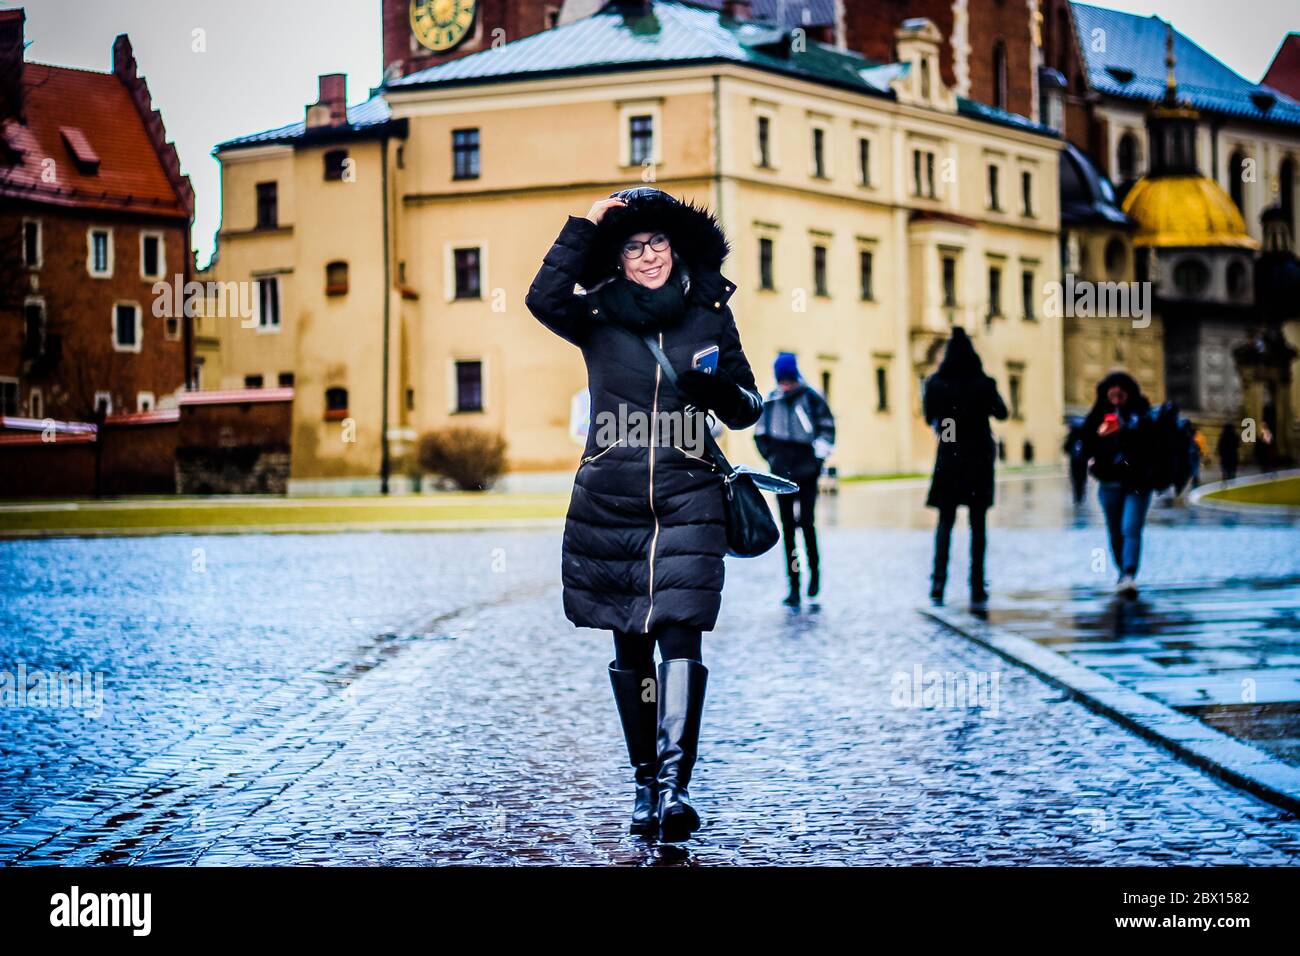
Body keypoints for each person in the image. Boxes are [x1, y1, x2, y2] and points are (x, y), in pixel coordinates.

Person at [524, 187, 763, 842]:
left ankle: (674, 788)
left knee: (682, 635)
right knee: (630, 642)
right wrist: (587, 223)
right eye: (634, 245)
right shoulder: (596, 314)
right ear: (619, 256)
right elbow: (541, 299)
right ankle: (642, 781)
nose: (649, 254)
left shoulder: (709, 314)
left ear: (677, 248)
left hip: (690, 493)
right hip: (613, 499)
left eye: (658, 242)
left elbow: (748, 406)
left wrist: (722, 392)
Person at [922, 328, 1008, 607]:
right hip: (979, 456)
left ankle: (938, 582)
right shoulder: (983, 383)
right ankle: (977, 583)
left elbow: (928, 416)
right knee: (978, 524)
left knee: (945, 523)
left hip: (950, 454)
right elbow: (1002, 412)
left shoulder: (936, 383)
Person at [754, 352, 835, 606]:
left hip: (807, 471)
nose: (786, 384)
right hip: (782, 473)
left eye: (789, 379)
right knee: (788, 529)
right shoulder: (771, 402)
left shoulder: (811, 398)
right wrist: (773, 459)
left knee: (807, 524)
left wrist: (817, 461)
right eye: (783, 379)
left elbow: (827, 429)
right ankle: (794, 583)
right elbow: (760, 434)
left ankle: (815, 574)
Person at [1080, 371, 1155, 598]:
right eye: (1112, 392)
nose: (1117, 396)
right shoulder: (1097, 416)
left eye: (1121, 392)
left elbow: (1152, 444)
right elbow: (1085, 444)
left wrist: (1127, 432)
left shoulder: (1142, 415)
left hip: (1137, 482)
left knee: (1130, 527)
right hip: (1109, 482)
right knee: (1115, 531)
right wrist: (1100, 437)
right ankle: (1123, 570)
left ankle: (1128, 574)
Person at [1063, 416, 1088, 504]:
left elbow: (1065, 448)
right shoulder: (1084, 435)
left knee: (1076, 478)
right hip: (1081, 461)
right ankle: (1080, 494)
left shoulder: (1072, 436)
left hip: (1076, 460)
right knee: (1081, 478)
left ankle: (1078, 495)